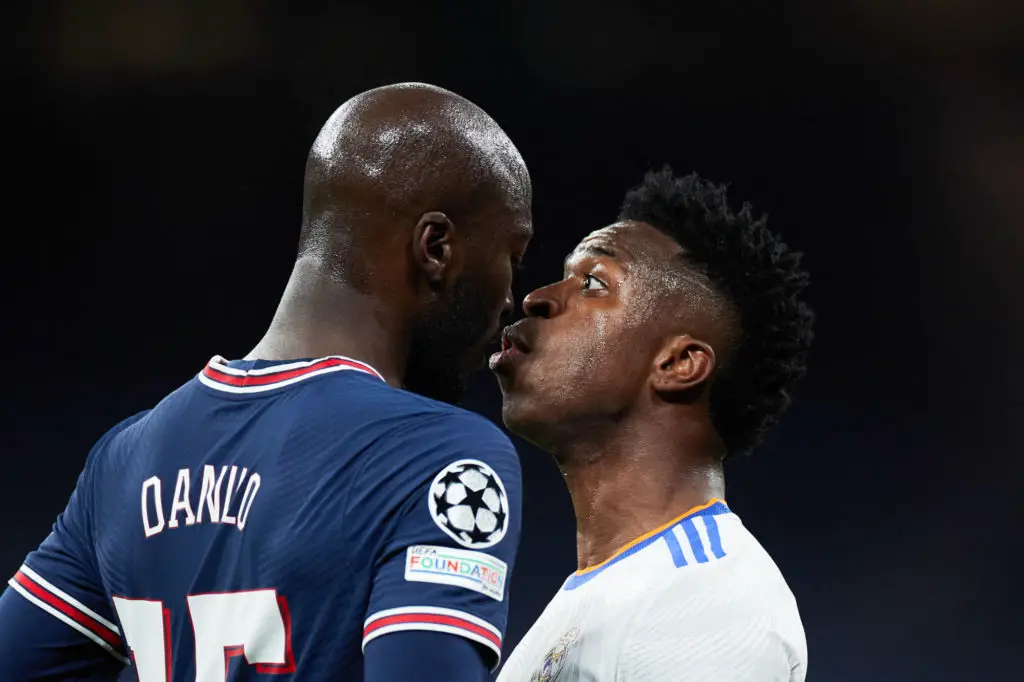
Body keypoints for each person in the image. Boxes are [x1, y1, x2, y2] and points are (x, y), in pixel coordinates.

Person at [0, 82, 533, 682]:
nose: (510, 298)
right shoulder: (439, 456)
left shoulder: (124, 461)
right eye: (512, 256)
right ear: (435, 247)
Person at [490, 167, 813, 681]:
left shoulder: (707, 603)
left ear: (678, 364)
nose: (539, 297)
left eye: (593, 283)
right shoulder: (596, 601)